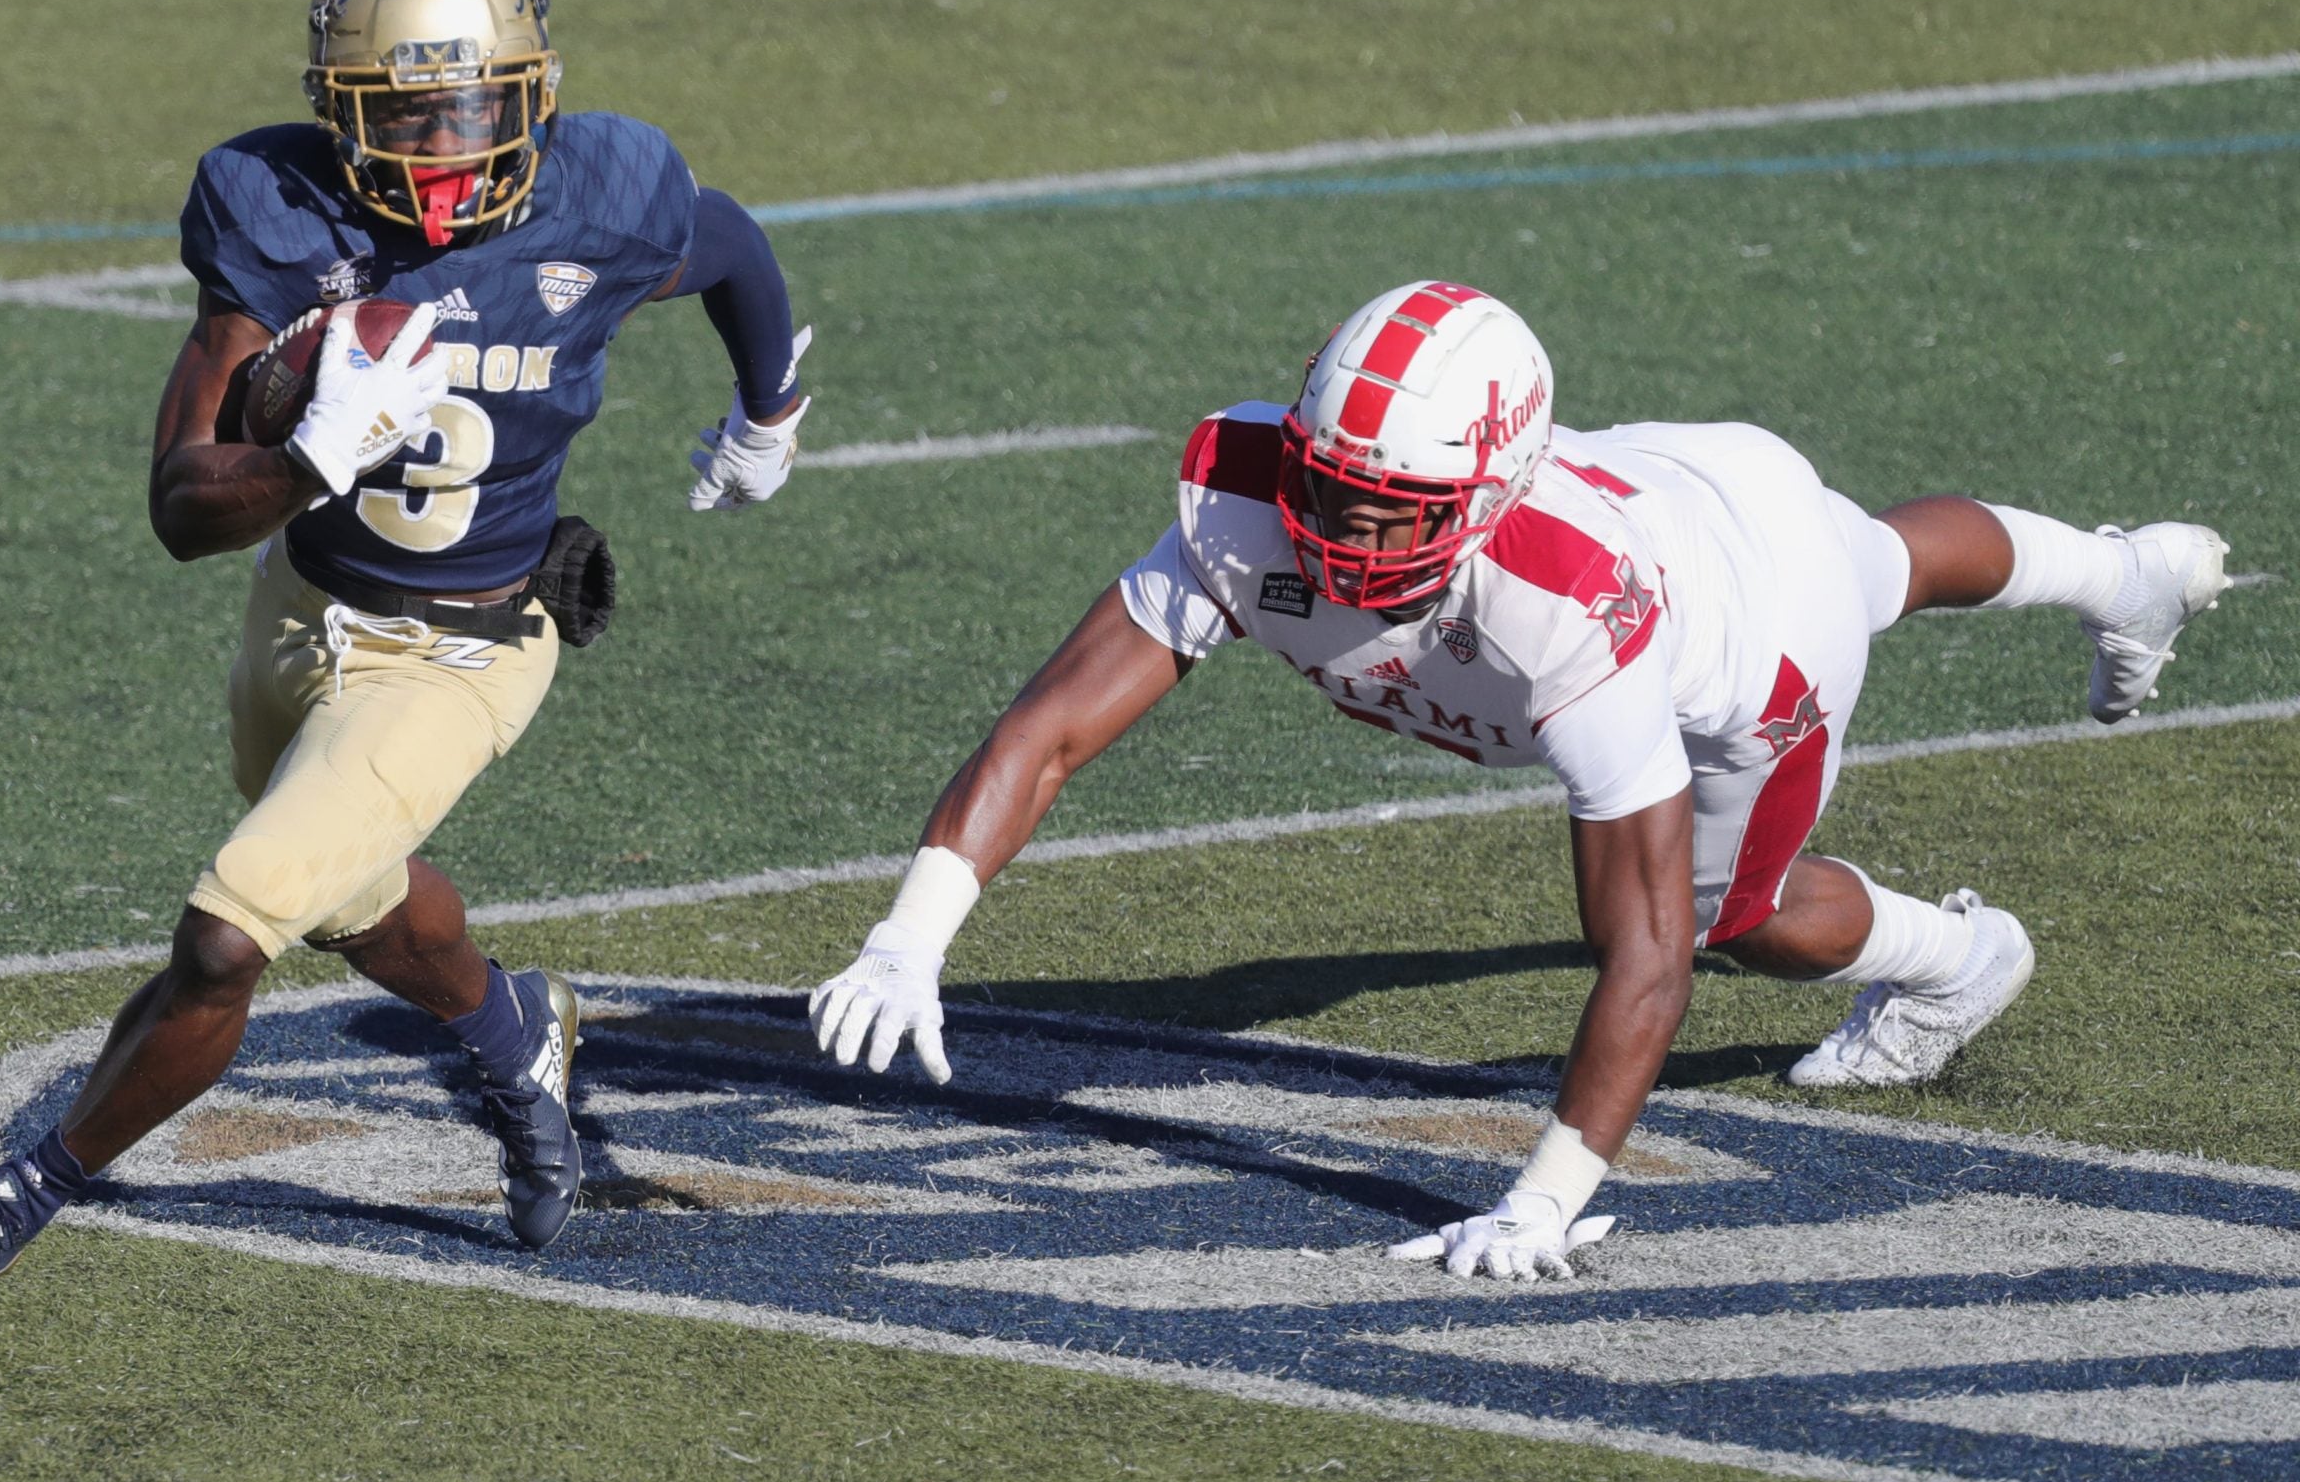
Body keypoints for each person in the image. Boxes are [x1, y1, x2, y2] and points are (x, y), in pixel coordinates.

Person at [804, 279, 2231, 1282]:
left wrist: (1545, 1198)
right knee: (1887, 555)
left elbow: (1650, 955)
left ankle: (1960, 954)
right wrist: (909, 934)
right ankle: (2127, 572)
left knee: (1734, 905)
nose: (1343, 528)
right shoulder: (1256, 500)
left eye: (1390, 507)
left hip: (1749, 617)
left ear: (1484, 496)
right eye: (1329, 482)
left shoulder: (1570, 614)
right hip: (1673, 484)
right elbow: (1049, 726)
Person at [0, 0, 815, 1297]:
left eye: (478, 106)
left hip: (471, 646)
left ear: (534, 89)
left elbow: (726, 246)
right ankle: (510, 1034)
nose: (448, 148)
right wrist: (309, 455)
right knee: (356, 900)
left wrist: (769, 405)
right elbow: (184, 506)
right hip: (300, 612)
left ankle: (5, 1204)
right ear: (338, 112)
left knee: (228, 931)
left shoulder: (601, 195)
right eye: (407, 116)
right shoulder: (281, 211)